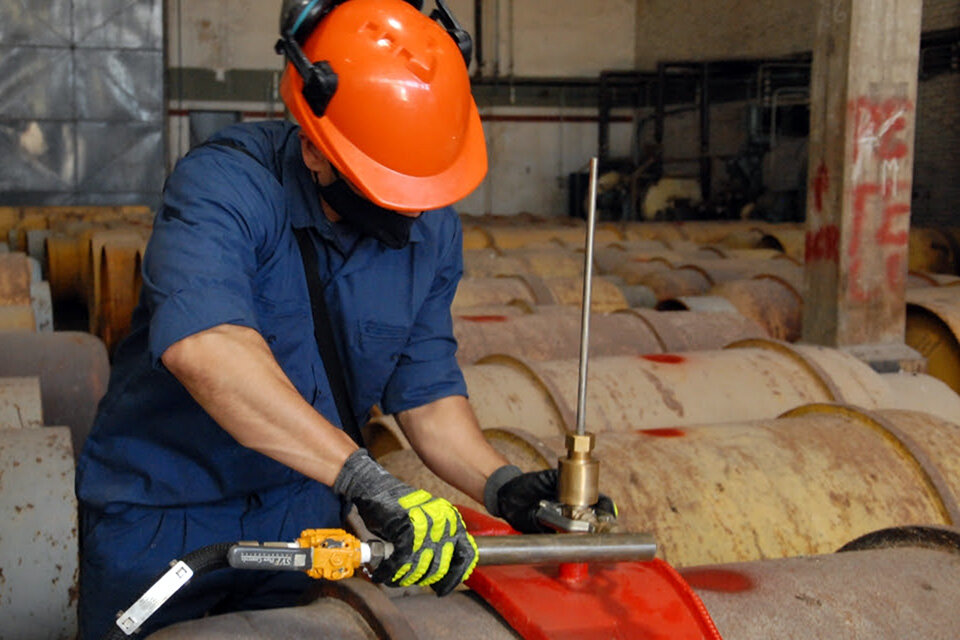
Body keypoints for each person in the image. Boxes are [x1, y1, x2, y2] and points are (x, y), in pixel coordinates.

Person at [75, 1, 612, 638]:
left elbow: (428, 396)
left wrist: (505, 489)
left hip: (303, 528)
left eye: (426, 190)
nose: (413, 215)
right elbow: (209, 349)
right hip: (163, 522)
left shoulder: (432, 232)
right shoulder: (224, 186)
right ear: (315, 153)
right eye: (391, 190)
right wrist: (364, 477)